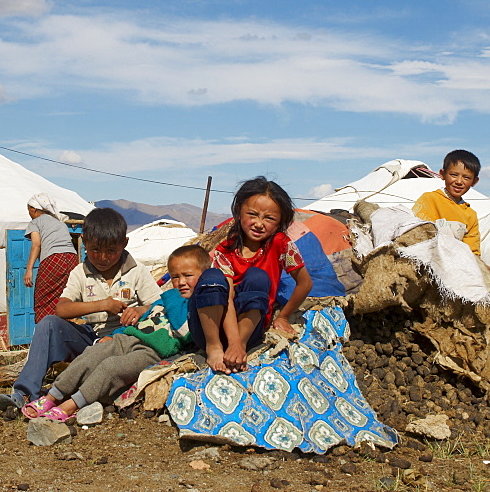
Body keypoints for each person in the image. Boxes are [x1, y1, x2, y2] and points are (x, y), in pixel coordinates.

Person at [0, 207, 162, 413]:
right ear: (84, 242)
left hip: (127, 340)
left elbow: (160, 305)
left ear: (124, 243)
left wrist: (141, 310)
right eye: (95, 249)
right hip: (91, 338)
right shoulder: (80, 272)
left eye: (111, 251)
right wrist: (103, 305)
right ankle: (25, 392)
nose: (103, 257)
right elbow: (61, 309)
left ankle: (70, 397)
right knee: (49, 324)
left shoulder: (136, 271)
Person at [23, 245, 207, 421]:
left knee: (112, 367)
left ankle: (71, 405)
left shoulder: (198, 305)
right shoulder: (167, 299)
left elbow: (184, 331)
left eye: (188, 276)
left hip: (152, 352)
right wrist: (114, 334)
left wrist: (171, 297)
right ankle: (52, 396)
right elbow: (144, 320)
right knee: (91, 355)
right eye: (175, 277)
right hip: (127, 337)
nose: (180, 282)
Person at [193, 176, 312, 374]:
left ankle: (238, 347)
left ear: (281, 220)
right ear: (239, 212)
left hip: (250, 329)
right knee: (212, 277)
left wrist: (283, 316)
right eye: (253, 215)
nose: (259, 223)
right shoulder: (226, 250)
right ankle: (214, 348)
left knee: (258, 276)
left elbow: (305, 283)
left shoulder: (281, 245)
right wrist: (231, 342)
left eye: (269, 218)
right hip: (212, 329)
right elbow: (228, 298)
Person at [412, 149, 483, 255]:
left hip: (457, 264)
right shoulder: (429, 200)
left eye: (466, 177)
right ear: (442, 174)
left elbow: (472, 252)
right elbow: (415, 234)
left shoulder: (470, 215)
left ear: (474, 181)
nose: (459, 181)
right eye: (454, 175)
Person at [23, 193, 79, 323]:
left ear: (34, 209)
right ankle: (69, 325)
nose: (29, 214)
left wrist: (29, 269)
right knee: (65, 295)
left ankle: (46, 330)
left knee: (43, 297)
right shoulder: (60, 223)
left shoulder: (36, 222)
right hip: (72, 259)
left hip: (53, 259)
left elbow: (36, 244)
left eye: (29, 210)